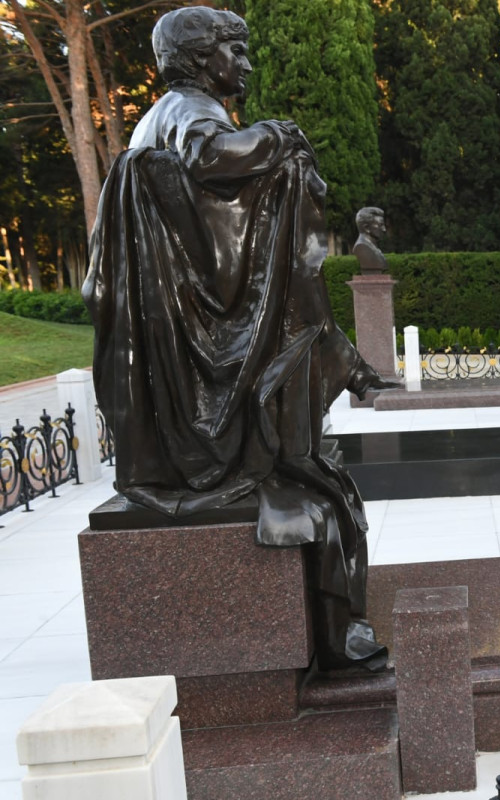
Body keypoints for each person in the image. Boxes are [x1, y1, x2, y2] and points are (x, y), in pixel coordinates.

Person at [83, 6, 397, 671]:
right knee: (324, 489)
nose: (247, 63)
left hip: (193, 351)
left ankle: (338, 355)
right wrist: (278, 140)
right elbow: (206, 156)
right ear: (200, 59)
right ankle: (341, 634)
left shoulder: (171, 109)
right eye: (236, 50)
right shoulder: (189, 110)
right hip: (205, 367)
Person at [352, 207, 388, 275]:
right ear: (366, 228)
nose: (384, 229)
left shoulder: (373, 247)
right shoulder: (361, 247)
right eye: (380, 225)